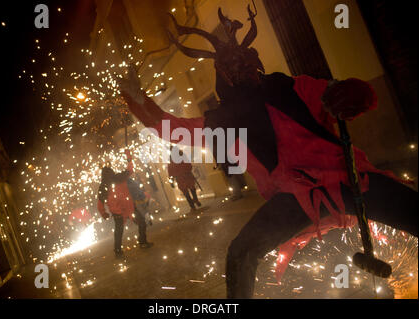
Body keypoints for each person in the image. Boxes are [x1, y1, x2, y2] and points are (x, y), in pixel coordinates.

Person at [118, 7, 417, 298]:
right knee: (241, 252)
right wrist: (136, 99)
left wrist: (351, 93)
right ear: (223, 73)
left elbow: (350, 95)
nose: (243, 67)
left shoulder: (294, 87)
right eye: (233, 65)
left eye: (246, 60)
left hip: (353, 182)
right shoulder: (224, 121)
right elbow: (171, 128)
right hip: (295, 198)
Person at [97, 151, 153, 259]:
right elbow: (130, 169)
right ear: (112, 172)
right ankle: (142, 242)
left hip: (118, 212)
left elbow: (100, 204)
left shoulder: (103, 186)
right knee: (141, 223)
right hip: (129, 207)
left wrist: (104, 214)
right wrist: (129, 157)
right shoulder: (120, 177)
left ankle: (118, 251)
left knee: (118, 231)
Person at [168, 147, 201, 213]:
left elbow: (170, 170)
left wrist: (171, 180)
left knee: (186, 192)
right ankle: (195, 200)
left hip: (180, 178)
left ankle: (192, 206)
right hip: (187, 175)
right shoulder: (182, 155)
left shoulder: (172, 159)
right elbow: (189, 165)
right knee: (192, 189)